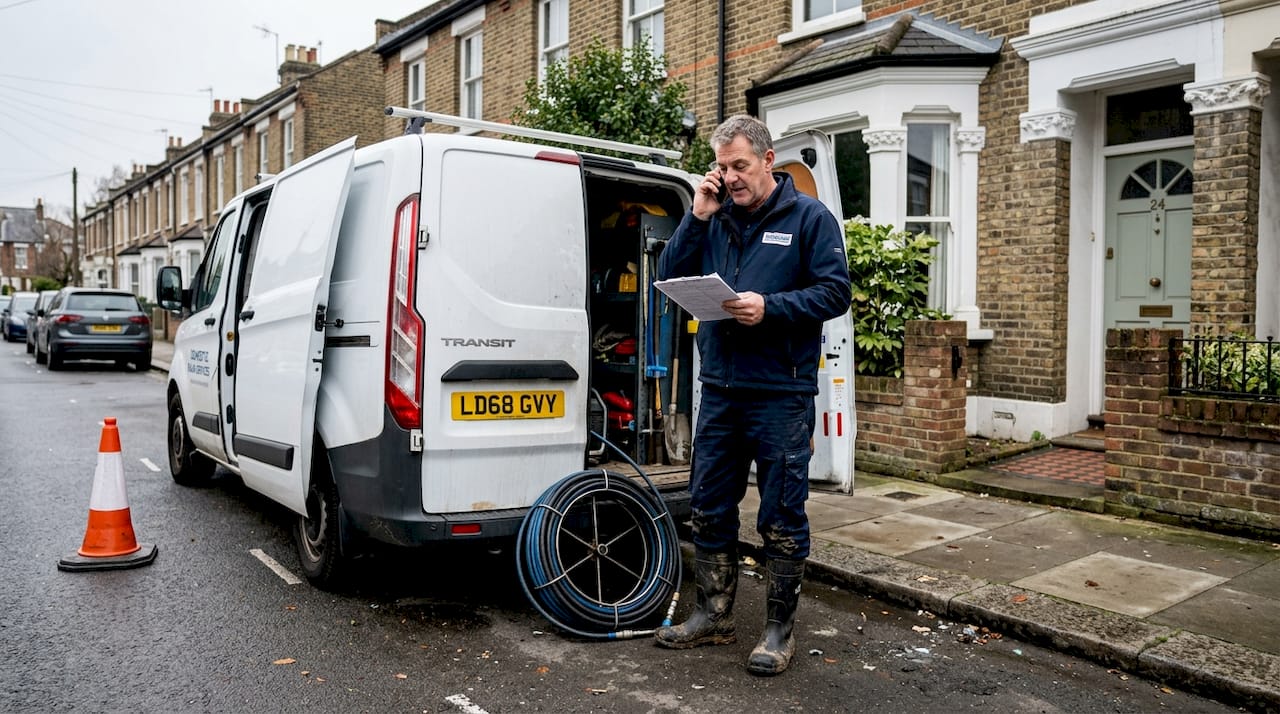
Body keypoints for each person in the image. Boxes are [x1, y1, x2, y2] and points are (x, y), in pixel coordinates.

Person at [654, 115, 851, 676]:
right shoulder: (714, 218)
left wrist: (772, 307)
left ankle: (777, 630)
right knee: (710, 507)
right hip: (719, 389)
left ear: (768, 160)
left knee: (781, 514)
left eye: (739, 165)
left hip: (779, 392)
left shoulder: (810, 218)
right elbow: (670, 274)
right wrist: (697, 216)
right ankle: (713, 617)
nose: (730, 176)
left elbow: (835, 292)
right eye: (722, 166)